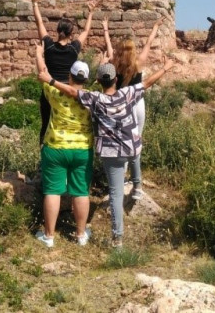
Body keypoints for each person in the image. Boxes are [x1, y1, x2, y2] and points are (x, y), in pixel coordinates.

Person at [38, 54, 174, 248]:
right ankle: (137, 186)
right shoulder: (126, 93)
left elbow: (70, 90)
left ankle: (117, 238)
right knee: (130, 160)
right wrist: (166, 68)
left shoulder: (95, 98)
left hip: (111, 153)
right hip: (130, 147)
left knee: (116, 194)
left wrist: (50, 80)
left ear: (98, 81)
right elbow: (147, 83)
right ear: (116, 80)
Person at [34, 42, 94, 248]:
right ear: (85, 79)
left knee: (52, 191)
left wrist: (38, 54)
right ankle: (80, 235)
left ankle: (49, 236)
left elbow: (42, 72)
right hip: (82, 150)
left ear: (69, 75)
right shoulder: (92, 98)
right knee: (81, 192)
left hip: (55, 147)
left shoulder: (54, 93)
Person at [102, 15, 165, 199]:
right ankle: (136, 185)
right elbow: (148, 44)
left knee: (121, 141)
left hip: (121, 106)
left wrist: (106, 29)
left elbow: (108, 47)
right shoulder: (138, 63)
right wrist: (154, 27)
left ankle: (121, 179)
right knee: (136, 141)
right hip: (137, 105)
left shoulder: (114, 62)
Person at [32, 0, 96, 144]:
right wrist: (91, 12)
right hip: (68, 90)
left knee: (46, 124)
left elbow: (39, 23)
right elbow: (86, 31)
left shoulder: (48, 46)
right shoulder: (74, 48)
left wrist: (35, 4)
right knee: (67, 121)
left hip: (49, 90)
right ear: (71, 34)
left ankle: (44, 156)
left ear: (57, 31)